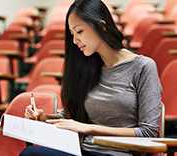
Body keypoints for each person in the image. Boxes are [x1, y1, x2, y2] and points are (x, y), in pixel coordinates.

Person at [20, 0, 162, 155]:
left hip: (119, 154)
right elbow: (75, 116)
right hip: (85, 151)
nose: (75, 41)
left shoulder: (143, 67)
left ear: (101, 26)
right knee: (32, 152)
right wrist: (44, 117)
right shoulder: (90, 68)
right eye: (72, 34)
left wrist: (88, 128)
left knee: (31, 153)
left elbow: (148, 132)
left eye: (79, 31)